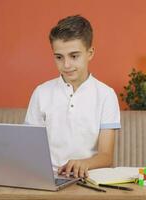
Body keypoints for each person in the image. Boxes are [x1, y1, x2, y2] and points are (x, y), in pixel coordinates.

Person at [25, 15, 120, 179]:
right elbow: (28, 146)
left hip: (87, 178)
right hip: (45, 178)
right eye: (59, 57)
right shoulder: (41, 92)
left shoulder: (106, 95)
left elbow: (106, 156)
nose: (66, 65)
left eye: (74, 56)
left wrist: (84, 163)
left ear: (90, 53)